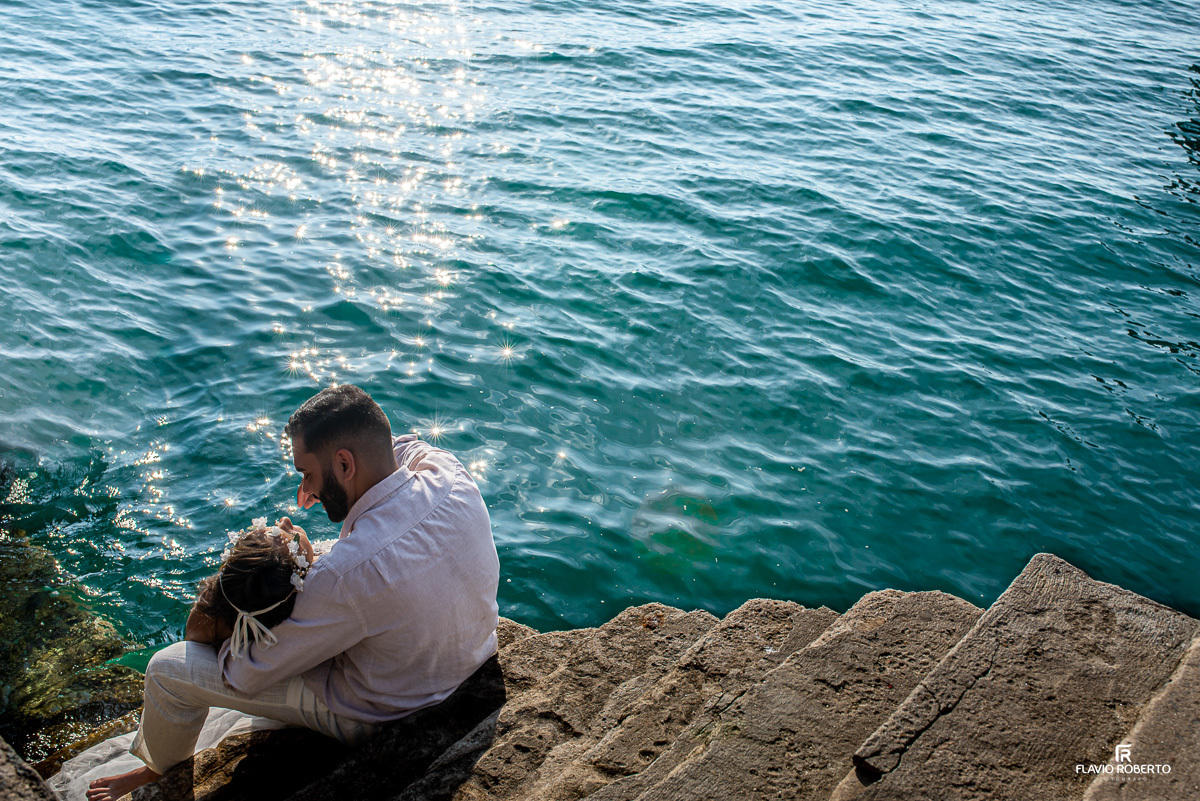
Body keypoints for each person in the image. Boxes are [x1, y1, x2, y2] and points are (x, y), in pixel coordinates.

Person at [87, 385, 500, 801]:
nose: (305, 493)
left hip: (386, 710)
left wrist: (231, 606)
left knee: (167, 669)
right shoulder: (447, 471)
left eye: (307, 474)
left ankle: (158, 771)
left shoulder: (345, 575)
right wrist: (324, 486)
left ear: (344, 463)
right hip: (470, 657)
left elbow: (245, 674)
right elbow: (395, 446)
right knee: (312, 561)